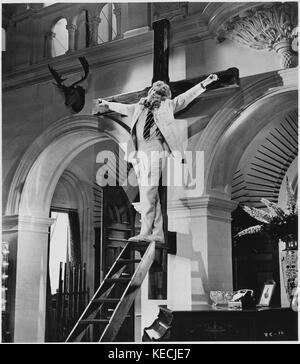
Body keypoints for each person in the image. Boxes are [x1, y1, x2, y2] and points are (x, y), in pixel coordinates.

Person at [96, 74, 218, 243]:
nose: (154, 93)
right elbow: (123, 108)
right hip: (139, 152)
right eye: (153, 90)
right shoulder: (139, 107)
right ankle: (158, 232)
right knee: (151, 193)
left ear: (164, 95)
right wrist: (108, 104)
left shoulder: (167, 105)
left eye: (159, 92)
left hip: (156, 149)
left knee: (147, 190)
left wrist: (205, 83)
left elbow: (186, 97)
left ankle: (145, 231)